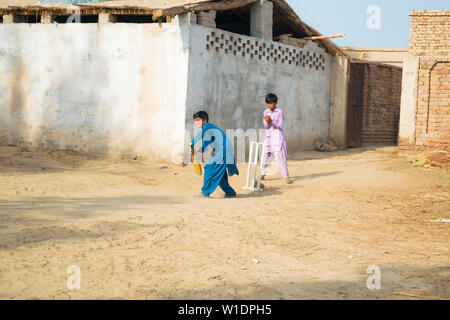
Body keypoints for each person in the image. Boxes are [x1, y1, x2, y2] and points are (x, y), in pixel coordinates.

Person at [191, 111, 239, 198]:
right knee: (220, 173)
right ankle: (230, 193)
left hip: (224, 150)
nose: (196, 122)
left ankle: (205, 192)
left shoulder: (208, 126)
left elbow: (200, 134)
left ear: (205, 120)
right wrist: (196, 149)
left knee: (209, 167)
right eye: (195, 120)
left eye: (198, 120)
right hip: (223, 151)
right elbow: (204, 147)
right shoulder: (206, 132)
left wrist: (192, 142)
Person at [261, 93, 293, 184]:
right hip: (268, 136)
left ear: (276, 103)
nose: (270, 105)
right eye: (268, 103)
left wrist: (272, 121)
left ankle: (286, 177)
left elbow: (280, 126)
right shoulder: (265, 112)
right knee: (265, 155)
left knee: (280, 157)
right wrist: (267, 122)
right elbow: (266, 126)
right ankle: (262, 174)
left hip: (277, 137)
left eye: (272, 103)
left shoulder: (279, 112)